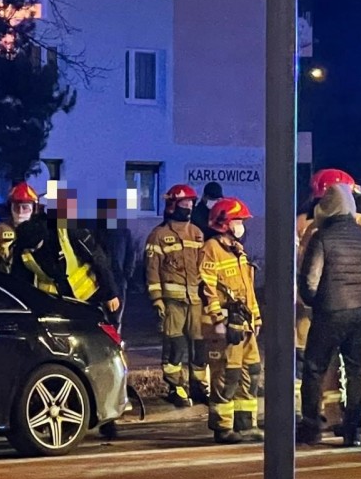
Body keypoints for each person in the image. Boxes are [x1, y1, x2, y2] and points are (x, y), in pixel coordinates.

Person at [298, 184, 361, 447]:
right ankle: (354, 431)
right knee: (355, 371)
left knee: (315, 368)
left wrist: (316, 303)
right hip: (360, 312)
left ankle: (311, 427)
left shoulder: (321, 237)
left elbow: (308, 283)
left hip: (328, 312)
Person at [199, 197, 263, 444]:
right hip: (225, 326)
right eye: (238, 220)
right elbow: (207, 288)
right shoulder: (210, 249)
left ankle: (246, 425)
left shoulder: (239, 251)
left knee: (250, 371)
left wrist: (256, 317)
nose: (242, 225)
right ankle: (223, 427)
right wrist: (218, 320)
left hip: (244, 325)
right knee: (227, 375)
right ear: (224, 223)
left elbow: (248, 289)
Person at [11, 188, 121, 319]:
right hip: (54, 303)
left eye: (37, 247)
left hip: (88, 297)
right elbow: (19, 279)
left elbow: (97, 257)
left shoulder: (68, 229)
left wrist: (110, 293)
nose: (35, 251)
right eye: (32, 250)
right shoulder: (22, 246)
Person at [145, 184, 207, 407]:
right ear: (173, 205)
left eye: (191, 203)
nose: (188, 207)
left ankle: (199, 386)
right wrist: (157, 299)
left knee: (200, 346)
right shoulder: (159, 235)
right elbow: (152, 269)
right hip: (172, 302)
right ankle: (176, 387)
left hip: (196, 300)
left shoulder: (197, 233)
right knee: (176, 345)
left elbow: (204, 267)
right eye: (184, 203)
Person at [94, 197, 137, 332]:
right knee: (100, 319)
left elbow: (131, 254)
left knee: (116, 320)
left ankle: (114, 347)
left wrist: (126, 276)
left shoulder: (123, 231)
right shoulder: (96, 231)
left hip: (118, 282)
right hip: (99, 282)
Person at [0, 182, 39, 273]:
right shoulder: (0, 230)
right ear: (10, 208)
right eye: (16, 207)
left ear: (34, 209)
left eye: (25, 208)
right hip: (8, 281)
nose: (20, 212)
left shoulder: (40, 230)